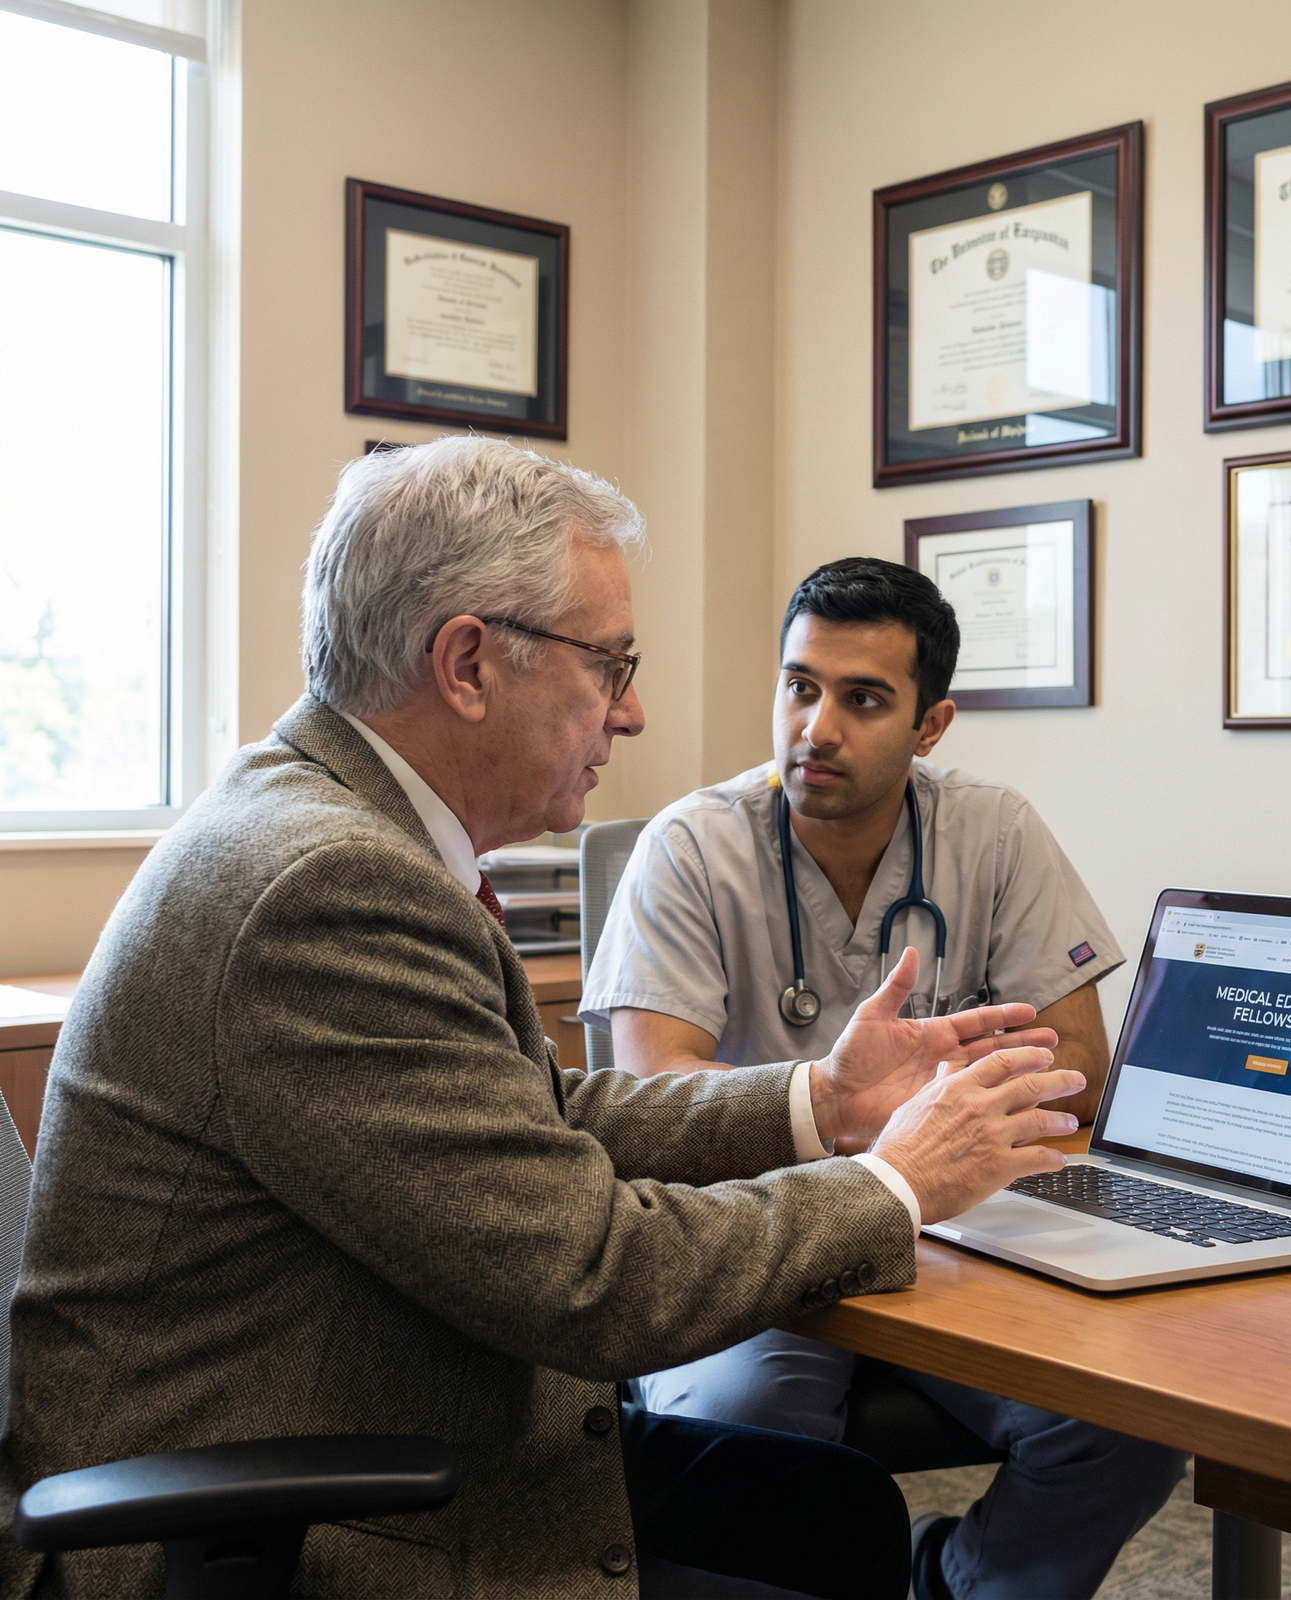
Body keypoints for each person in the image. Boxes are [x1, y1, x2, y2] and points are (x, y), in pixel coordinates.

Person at [0, 442, 1085, 1600]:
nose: (632, 712)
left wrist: (820, 1100)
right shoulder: (328, 888)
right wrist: (895, 1181)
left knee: (833, 1513)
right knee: (815, 1532)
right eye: (609, 663)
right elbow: (593, 1276)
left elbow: (529, 1116)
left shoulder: (324, 821)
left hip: (375, 1418)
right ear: (468, 664)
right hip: (279, 1516)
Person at [582, 558, 1187, 1600]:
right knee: (742, 1438)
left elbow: (1081, 1070)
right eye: (799, 686)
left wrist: (934, 1121)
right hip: (754, 1239)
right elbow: (654, 1088)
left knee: (1129, 1420)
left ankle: (955, 1584)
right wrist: (866, 1112)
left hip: (958, 1234)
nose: (816, 727)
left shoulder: (994, 833)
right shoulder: (691, 847)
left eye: (862, 699)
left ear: (930, 724)